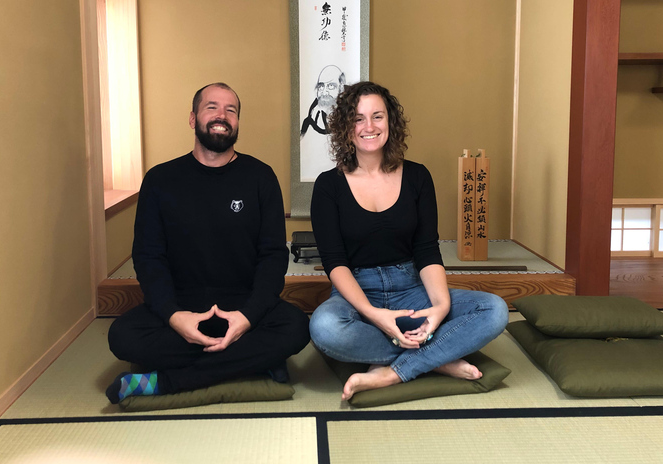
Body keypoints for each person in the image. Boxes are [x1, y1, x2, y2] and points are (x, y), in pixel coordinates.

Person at [106, 83, 310, 404]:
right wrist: (175, 317)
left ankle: (168, 381)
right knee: (122, 336)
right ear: (193, 118)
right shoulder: (161, 180)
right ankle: (254, 362)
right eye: (212, 107)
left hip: (242, 308)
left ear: (238, 123)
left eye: (231, 110)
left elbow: (272, 256)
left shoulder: (260, 177)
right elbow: (148, 256)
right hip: (182, 305)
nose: (222, 116)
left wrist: (247, 318)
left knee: (297, 327)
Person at [309, 81, 508, 401]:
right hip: (356, 293)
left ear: (391, 123)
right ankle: (438, 360)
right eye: (358, 119)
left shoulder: (417, 176)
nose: (369, 127)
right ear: (346, 128)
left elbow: (427, 250)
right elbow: (335, 262)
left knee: (494, 309)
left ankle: (395, 370)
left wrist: (440, 308)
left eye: (378, 116)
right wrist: (376, 316)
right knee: (325, 328)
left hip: (411, 287)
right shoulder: (327, 186)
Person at [300, 65, 346, 137]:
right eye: (321, 86)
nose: (324, 92)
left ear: (341, 87)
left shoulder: (349, 117)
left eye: (331, 86)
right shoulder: (310, 120)